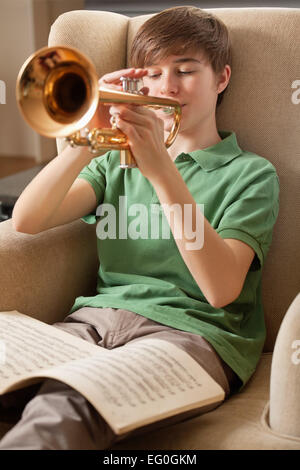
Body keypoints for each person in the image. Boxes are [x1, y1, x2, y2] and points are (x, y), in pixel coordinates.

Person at [0, 6, 279, 450]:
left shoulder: (251, 174)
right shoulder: (114, 161)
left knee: (66, 406)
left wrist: (162, 170)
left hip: (194, 335)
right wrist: (84, 140)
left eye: (185, 71)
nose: (166, 86)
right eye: (150, 74)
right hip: (94, 322)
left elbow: (221, 289)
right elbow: (27, 221)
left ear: (221, 79)